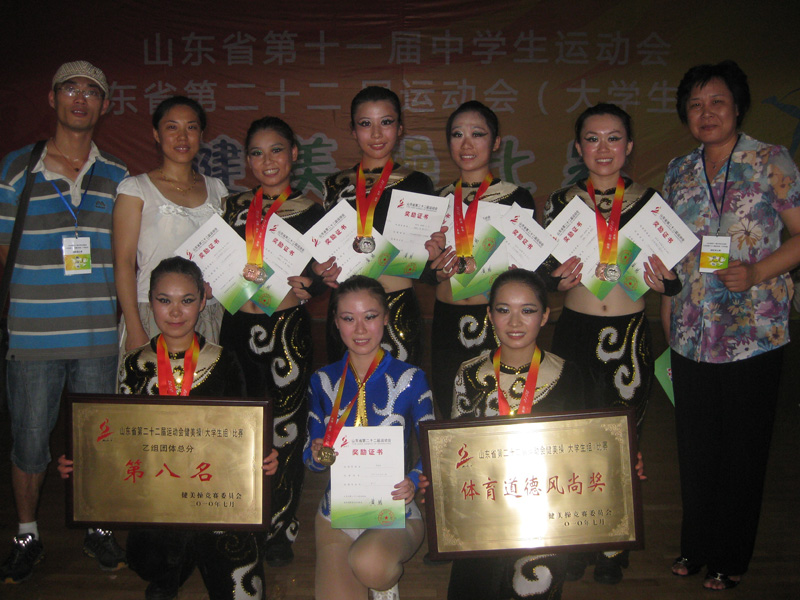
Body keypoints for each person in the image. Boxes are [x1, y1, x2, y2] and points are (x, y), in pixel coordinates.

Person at [59, 257, 280, 600]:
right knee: (150, 559)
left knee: (244, 589)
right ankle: (169, 570)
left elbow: (246, 432)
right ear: (150, 301)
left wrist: (264, 456)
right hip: (160, 492)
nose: (175, 312)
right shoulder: (134, 365)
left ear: (202, 301)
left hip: (216, 496)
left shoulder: (226, 361)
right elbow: (119, 438)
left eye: (187, 300)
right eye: (164, 300)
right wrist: (85, 461)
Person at [663, 60, 800, 591]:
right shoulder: (679, 170)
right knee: (696, 448)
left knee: (743, 451)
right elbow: (673, 251)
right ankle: (696, 545)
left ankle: (730, 555)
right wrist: (666, 306)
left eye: (717, 101)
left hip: (752, 334)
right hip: (690, 332)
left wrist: (760, 271)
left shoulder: (770, 160)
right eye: (695, 105)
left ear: (737, 107)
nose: (706, 113)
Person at [0, 61, 128, 584]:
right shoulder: (16, 169)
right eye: (70, 89)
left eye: (92, 92)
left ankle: (97, 526)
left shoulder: (117, 175)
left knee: (98, 439)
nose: (81, 99)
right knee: (30, 441)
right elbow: (3, 251)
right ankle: (27, 533)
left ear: (105, 105)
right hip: (33, 335)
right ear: (52, 99)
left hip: (98, 335)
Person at [542, 102, 678, 585]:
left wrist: (668, 283)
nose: (603, 148)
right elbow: (543, 268)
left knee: (623, 441)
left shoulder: (650, 201)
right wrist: (553, 280)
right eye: (592, 138)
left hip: (629, 335)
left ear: (629, 146)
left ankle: (613, 545)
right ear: (579, 147)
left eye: (614, 137)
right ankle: (575, 538)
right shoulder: (561, 202)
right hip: (574, 333)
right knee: (571, 437)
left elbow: (673, 272)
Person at [220, 116, 325, 567]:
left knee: (287, 429)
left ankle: (282, 525)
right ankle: (242, 516)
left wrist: (313, 285)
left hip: (286, 331)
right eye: (257, 153)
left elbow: (327, 273)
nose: (267, 161)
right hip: (235, 329)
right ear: (247, 160)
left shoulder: (312, 210)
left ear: (294, 154)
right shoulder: (231, 207)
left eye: (277, 150)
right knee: (239, 427)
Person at [445, 269, 586, 599]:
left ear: (545, 316)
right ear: (489, 314)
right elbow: (453, 449)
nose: (515, 322)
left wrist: (620, 458)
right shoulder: (469, 373)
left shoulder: (568, 375)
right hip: (482, 513)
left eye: (528, 310)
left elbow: (583, 449)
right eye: (503, 310)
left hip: (544, 515)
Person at [304, 276, 434, 600]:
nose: (360, 329)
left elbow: (433, 445)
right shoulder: (322, 380)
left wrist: (413, 480)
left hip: (395, 509)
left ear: (386, 318)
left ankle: (383, 580)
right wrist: (318, 454)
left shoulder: (411, 378)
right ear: (336, 322)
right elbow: (313, 458)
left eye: (370, 316)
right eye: (348, 318)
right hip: (337, 511)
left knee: (370, 564)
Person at [426, 101, 536, 419]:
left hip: (495, 319)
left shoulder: (516, 198)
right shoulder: (436, 199)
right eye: (457, 134)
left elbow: (530, 268)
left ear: (496, 141)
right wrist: (434, 267)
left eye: (477, 134)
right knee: (450, 405)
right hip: (446, 319)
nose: (467, 144)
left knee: (497, 409)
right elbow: (422, 272)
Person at [317, 86, 434, 365]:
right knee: (345, 388)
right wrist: (320, 270)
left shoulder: (418, 183)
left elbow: (427, 267)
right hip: (347, 312)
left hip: (397, 307)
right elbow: (322, 251)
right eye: (366, 124)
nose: (377, 134)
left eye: (386, 122)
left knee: (400, 388)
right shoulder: (335, 184)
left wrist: (434, 253)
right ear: (353, 130)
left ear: (400, 128)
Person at [113, 95, 227, 352]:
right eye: (172, 127)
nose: (182, 137)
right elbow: (123, 263)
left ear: (201, 135)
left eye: (191, 127)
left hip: (207, 312)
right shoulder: (136, 189)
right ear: (156, 134)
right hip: (154, 314)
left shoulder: (217, 189)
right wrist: (134, 326)